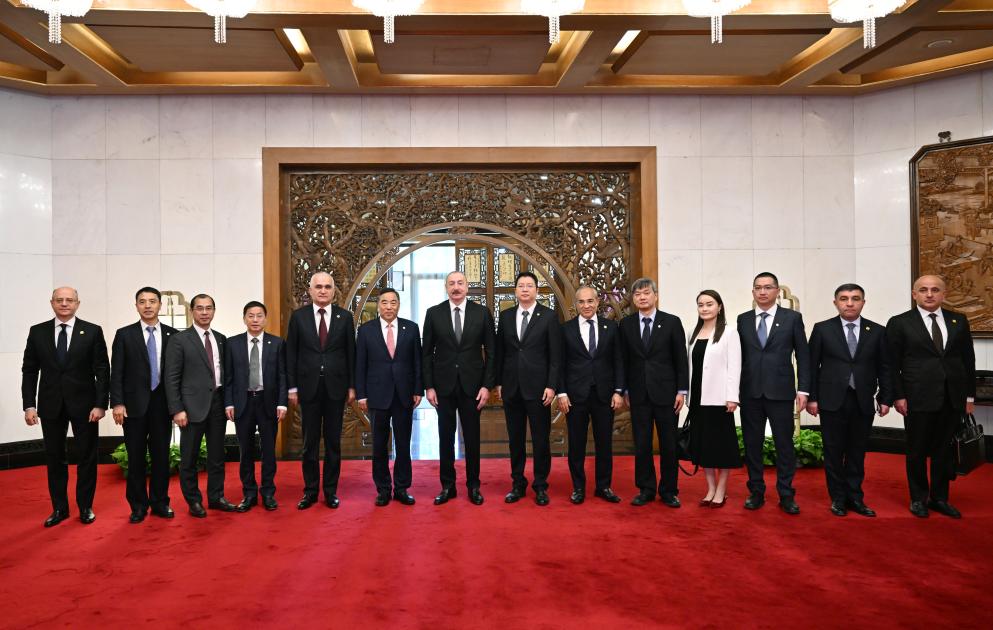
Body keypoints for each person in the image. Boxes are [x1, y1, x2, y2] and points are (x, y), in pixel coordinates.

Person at [887, 275, 975, 519]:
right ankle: (918, 498)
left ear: (943, 294)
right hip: (916, 396)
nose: (929, 294)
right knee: (916, 450)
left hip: (951, 396)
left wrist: (969, 397)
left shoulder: (958, 320)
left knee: (944, 450)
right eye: (923, 290)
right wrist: (898, 396)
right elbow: (891, 364)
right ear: (914, 294)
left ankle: (939, 498)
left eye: (935, 290)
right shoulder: (900, 323)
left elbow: (968, 360)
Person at [21, 287, 109, 527]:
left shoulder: (92, 331)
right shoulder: (37, 332)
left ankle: (85, 506)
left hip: (86, 406)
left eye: (69, 300)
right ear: (52, 303)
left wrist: (101, 404)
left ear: (77, 304)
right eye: (59, 300)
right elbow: (29, 371)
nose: (64, 304)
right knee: (54, 458)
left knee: (87, 457)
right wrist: (29, 405)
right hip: (50, 406)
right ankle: (59, 508)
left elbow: (102, 370)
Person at [807, 284, 893, 517]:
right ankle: (837, 498)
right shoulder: (823, 329)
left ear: (863, 302)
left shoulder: (877, 331)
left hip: (863, 400)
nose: (850, 303)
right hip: (831, 400)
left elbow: (885, 367)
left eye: (855, 298)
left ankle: (855, 497)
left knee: (857, 452)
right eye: (844, 299)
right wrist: (812, 398)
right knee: (833, 451)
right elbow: (812, 366)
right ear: (835, 302)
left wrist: (886, 398)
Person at [736, 272, 810, 514]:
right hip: (750, 392)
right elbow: (737, 358)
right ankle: (756, 491)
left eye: (768, 287)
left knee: (784, 445)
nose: (763, 292)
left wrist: (803, 389)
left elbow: (803, 355)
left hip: (781, 392)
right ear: (753, 291)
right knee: (752, 445)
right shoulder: (743, 320)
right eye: (758, 287)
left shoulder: (792, 318)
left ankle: (786, 494)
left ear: (777, 291)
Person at [422, 271, 495, 506]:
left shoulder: (481, 313)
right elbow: (426, 353)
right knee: (445, 438)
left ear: (467, 287)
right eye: (452, 283)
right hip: (442, 386)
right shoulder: (434, 313)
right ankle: (448, 486)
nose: (456, 287)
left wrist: (487, 386)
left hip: (473, 387)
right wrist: (429, 386)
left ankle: (474, 486)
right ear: (446, 287)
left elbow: (491, 352)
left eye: (460, 283)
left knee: (472, 438)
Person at [286, 272, 356, 510]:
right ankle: (310, 491)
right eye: (318, 287)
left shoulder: (344, 317)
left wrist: (352, 386)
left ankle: (330, 491)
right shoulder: (299, 317)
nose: (323, 290)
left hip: (336, 389)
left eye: (327, 287)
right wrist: (292, 387)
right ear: (310, 290)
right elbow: (291, 354)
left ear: (334, 291)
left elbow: (351, 354)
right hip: (309, 389)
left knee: (334, 443)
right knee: (310, 443)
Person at [110, 287, 178, 523]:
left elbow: (177, 373)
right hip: (133, 406)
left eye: (152, 301)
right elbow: (116, 372)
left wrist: (177, 405)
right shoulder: (124, 335)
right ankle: (138, 506)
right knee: (136, 458)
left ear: (160, 305)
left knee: (161, 457)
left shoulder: (173, 335)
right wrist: (117, 403)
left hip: (162, 405)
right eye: (142, 301)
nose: (147, 306)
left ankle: (160, 502)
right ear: (136, 305)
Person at [619, 277, 689, 507]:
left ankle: (669, 490)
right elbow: (623, 360)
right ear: (633, 299)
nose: (642, 297)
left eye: (646, 293)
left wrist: (681, 391)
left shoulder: (671, 322)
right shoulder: (626, 325)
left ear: (655, 296)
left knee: (669, 444)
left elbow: (681, 359)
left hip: (667, 394)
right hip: (638, 394)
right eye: (637, 294)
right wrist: (624, 389)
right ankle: (646, 488)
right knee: (642, 444)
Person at [164, 293, 235, 518]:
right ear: (192, 311)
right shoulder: (179, 339)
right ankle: (193, 500)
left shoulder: (221, 338)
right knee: (189, 458)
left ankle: (216, 497)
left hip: (217, 404)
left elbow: (226, 374)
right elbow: (171, 377)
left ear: (214, 311)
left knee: (217, 456)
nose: (204, 312)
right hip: (190, 407)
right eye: (200, 308)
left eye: (208, 308)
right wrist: (177, 409)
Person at [495, 271, 562, 506]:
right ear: (515, 290)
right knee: (515, 440)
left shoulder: (549, 317)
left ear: (536, 290)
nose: (525, 289)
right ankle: (518, 483)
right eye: (521, 286)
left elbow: (555, 356)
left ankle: (540, 485)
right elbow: (500, 353)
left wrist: (552, 385)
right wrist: (499, 382)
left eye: (529, 286)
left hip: (539, 389)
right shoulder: (505, 316)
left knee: (541, 440)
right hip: (512, 387)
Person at [355, 288, 423, 506]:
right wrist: (361, 395)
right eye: (384, 302)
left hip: (404, 395)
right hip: (377, 395)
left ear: (398, 305)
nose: (389, 307)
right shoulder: (366, 331)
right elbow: (360, 365)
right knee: (379, 445)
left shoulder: (411, 328)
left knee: (403, 444)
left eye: (393, 302)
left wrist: (418, 389)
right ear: (378, 305)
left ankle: (402, 488)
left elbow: (417, 362)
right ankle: (383, 489)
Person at [557, 286, 624, 504]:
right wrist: (562, 392)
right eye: (581, 302)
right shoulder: (565, 329)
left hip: (604, 395)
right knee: (576, 444)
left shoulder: (611, 327)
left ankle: (604, 486)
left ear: (597, 302)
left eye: (590, 301)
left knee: (604, 443)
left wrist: (618, 391)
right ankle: (578, 487)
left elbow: (618, 361)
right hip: (575, 396)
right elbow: (559, 364)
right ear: (576, 304)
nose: (586, 305)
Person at [224, 301, 287, 512]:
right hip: (243, 403)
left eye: (259, 315)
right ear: (244, 319)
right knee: (245, 451)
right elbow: (228, 377)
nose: (255, 320)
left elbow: (282, 376)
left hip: (268, 402)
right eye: (250, 316)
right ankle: (249, 493)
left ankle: (268, 492)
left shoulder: (277, 343)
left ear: (265, 319)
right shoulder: (232, 344)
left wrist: (282, 403)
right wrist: (229, 402)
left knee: (268, 451)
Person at [686, 290, 741, 508]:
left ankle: (721, 489)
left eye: (709, 304)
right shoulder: (692, 333)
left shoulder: (729, 333)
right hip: (697, 399)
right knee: (703, 446)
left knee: (721, 446)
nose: (705, 308)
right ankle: (710, 488)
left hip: (719, 400)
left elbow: (734, 367)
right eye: (701, 305)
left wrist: (732, 397)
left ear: (719, 307)